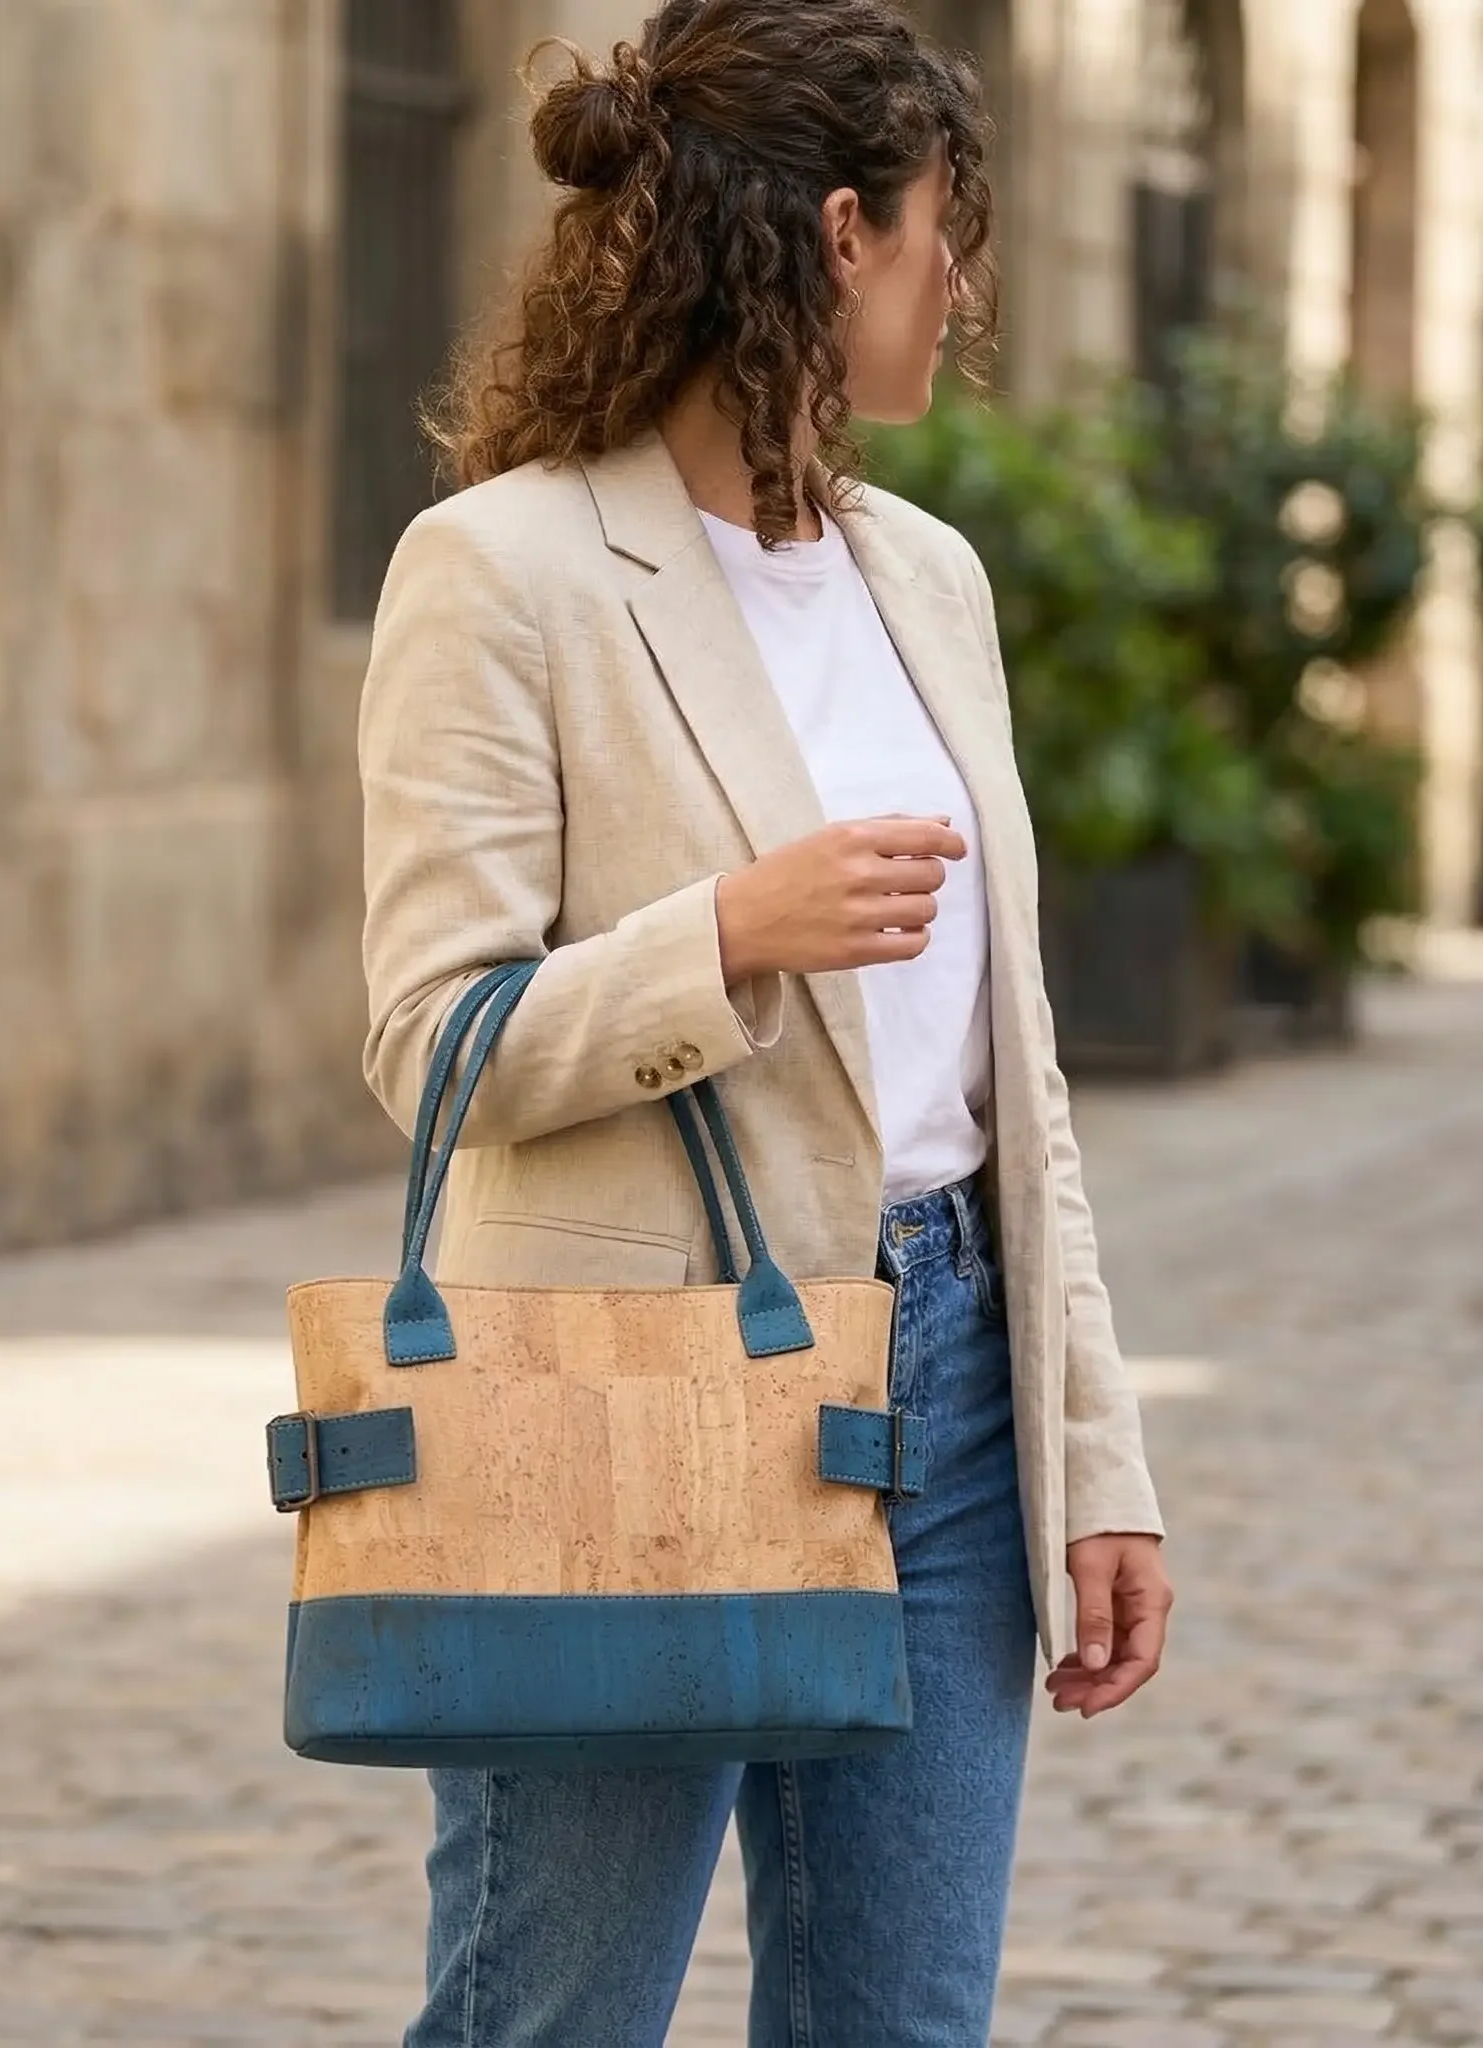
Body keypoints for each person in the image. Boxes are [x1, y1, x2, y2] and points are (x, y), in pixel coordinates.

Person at [356, 3, 1173, 2041]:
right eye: (936, 235)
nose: (958, 286)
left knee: (900, 2022)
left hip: (951, 1385)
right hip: (632, 1380)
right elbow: (428, 1033)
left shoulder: (929, 578)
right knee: (556, 2011)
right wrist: (725, 935)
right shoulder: (503, 567)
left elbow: (1015, 1076)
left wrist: (1102, 1453)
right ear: (832, 230)